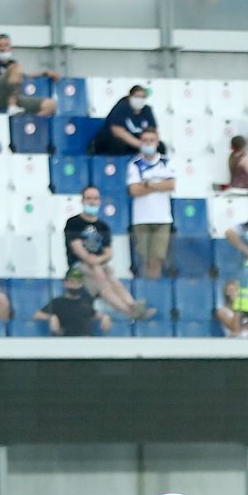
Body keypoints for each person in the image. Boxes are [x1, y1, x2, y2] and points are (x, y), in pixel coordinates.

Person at [66, 185, 154, 320]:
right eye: (89, 198)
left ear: (99, 201)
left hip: (100, 264)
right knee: (104, 286)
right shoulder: (73, 223)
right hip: (79, 266)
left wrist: (98, 262)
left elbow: (108, 252)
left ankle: (133, 305)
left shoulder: (103, 226)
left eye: (95, 198)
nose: (92, 202)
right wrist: (94, 265)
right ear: (82, 200)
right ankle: (131, 313)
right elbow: (78, 249)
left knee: (114, 282)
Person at [126, 127, 177, 279]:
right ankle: (144, 288)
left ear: (157, 142)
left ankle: (154, 287)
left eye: (151, 140)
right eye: (145, 140)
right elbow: (134, 190)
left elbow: (171, 185)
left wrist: (148, 184)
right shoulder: (134, 164)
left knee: (157, 259)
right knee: (144, 259)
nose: (148, 143)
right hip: (141, 219)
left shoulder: (166, 162)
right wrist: (159, 185)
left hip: (162, 219)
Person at [0, 33, 58, 116]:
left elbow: (24, 76)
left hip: (15, 98)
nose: (3, 49)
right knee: (15, 67)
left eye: (6, 45)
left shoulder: (13, 63)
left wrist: (45, 73)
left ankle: (29, 120)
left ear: (10, 48)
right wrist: (9, 74)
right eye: (0, 46)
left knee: (50, 105)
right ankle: (12, 106)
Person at [34, 268, 110, 336]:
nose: (74, 285)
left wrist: (105, 317)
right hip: (66, 340)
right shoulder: (58, 302)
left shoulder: (86, 301)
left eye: (78, 282)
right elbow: (37, 315)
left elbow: (94, 313)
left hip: (87, 340)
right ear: (65, 283)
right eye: (72, 282)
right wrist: (51, 317)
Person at [93, 85, 163, 155]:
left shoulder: (147, 110)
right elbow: (117, 131)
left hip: (136, 140)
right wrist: (139, 144)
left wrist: (151, 143)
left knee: (160, 147)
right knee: (118, 144)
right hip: (112, 139)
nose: (140, 100)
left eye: (143, 97)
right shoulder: (122, 107)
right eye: (137, 96)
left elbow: (153, 130)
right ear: (130, 97)